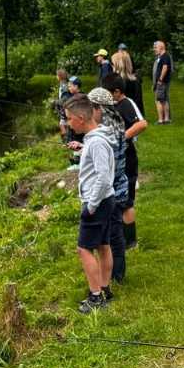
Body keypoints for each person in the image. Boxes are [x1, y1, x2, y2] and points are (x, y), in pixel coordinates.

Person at [64, 94, 115, 314]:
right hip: (105, 201)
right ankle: (105, 288)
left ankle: (96, 297)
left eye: (69, 118)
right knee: (103, 245)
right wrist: (82, 151)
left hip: (98, 202)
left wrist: (91, 205)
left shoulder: (96, 143)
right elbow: (96, 163)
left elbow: (103, 177)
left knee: (83, 249)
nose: (67, 122)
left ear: (81, 118)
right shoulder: (93, 140)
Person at [87, 86, 129, 286]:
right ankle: (114, 273)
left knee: (113, 235)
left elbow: (104, 167)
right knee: (114, 232)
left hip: (111, 189)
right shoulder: (117, 122)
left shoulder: (106, 131)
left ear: (99, 108)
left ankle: (116, 276)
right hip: (119, 184)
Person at [102, 72, 147, 249]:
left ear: (117, 91)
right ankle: (120, 236)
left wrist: (122, 138)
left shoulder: (127, 104)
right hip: (117, 160)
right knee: (117, 199)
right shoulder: (114, 105)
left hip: (127, 159)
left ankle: (131, 241)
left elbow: (142, 124)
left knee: (127, 201)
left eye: (108, 93)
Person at [152, 40, 173, 124]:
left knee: (159, 101)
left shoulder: (165, 56)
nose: (154, 49)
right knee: (164, 100)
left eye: (155, 47)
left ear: (161, 47)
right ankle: (166, 119)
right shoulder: (161, 56)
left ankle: (161, 120)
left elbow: (165, 68)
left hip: (162, 82)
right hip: (162, 82)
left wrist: (160, 80)